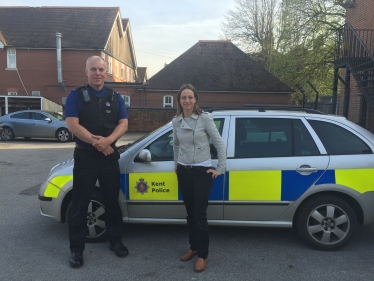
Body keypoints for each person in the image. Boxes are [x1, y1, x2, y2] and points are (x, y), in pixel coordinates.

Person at [65, 56, 129, 268]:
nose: (98, 73)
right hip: (85, 156)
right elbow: (72, 125)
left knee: (111, 201)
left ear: (106, 72)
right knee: (80, 204)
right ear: (86, 72)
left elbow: (124, 123)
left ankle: (115, 241)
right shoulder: (75, 95)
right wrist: (97, 142)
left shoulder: (115, 96)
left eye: (101, 69)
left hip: (108, 156)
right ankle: (76, 250)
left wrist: (109, 141)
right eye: (93, 69)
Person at [172, 83, 226, 273]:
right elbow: (176, 145)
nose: (187, 100)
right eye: (183, 97)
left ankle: (203, 254)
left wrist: (220, 167)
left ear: (195, 99)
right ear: (179, 100)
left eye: (190, 97)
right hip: (184, 171)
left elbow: (219, 144)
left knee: (200, 214)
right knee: (190, 213)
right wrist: (176, 163)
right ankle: (193, 247)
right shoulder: (176, 120)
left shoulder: (204, 118)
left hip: (202, 171)